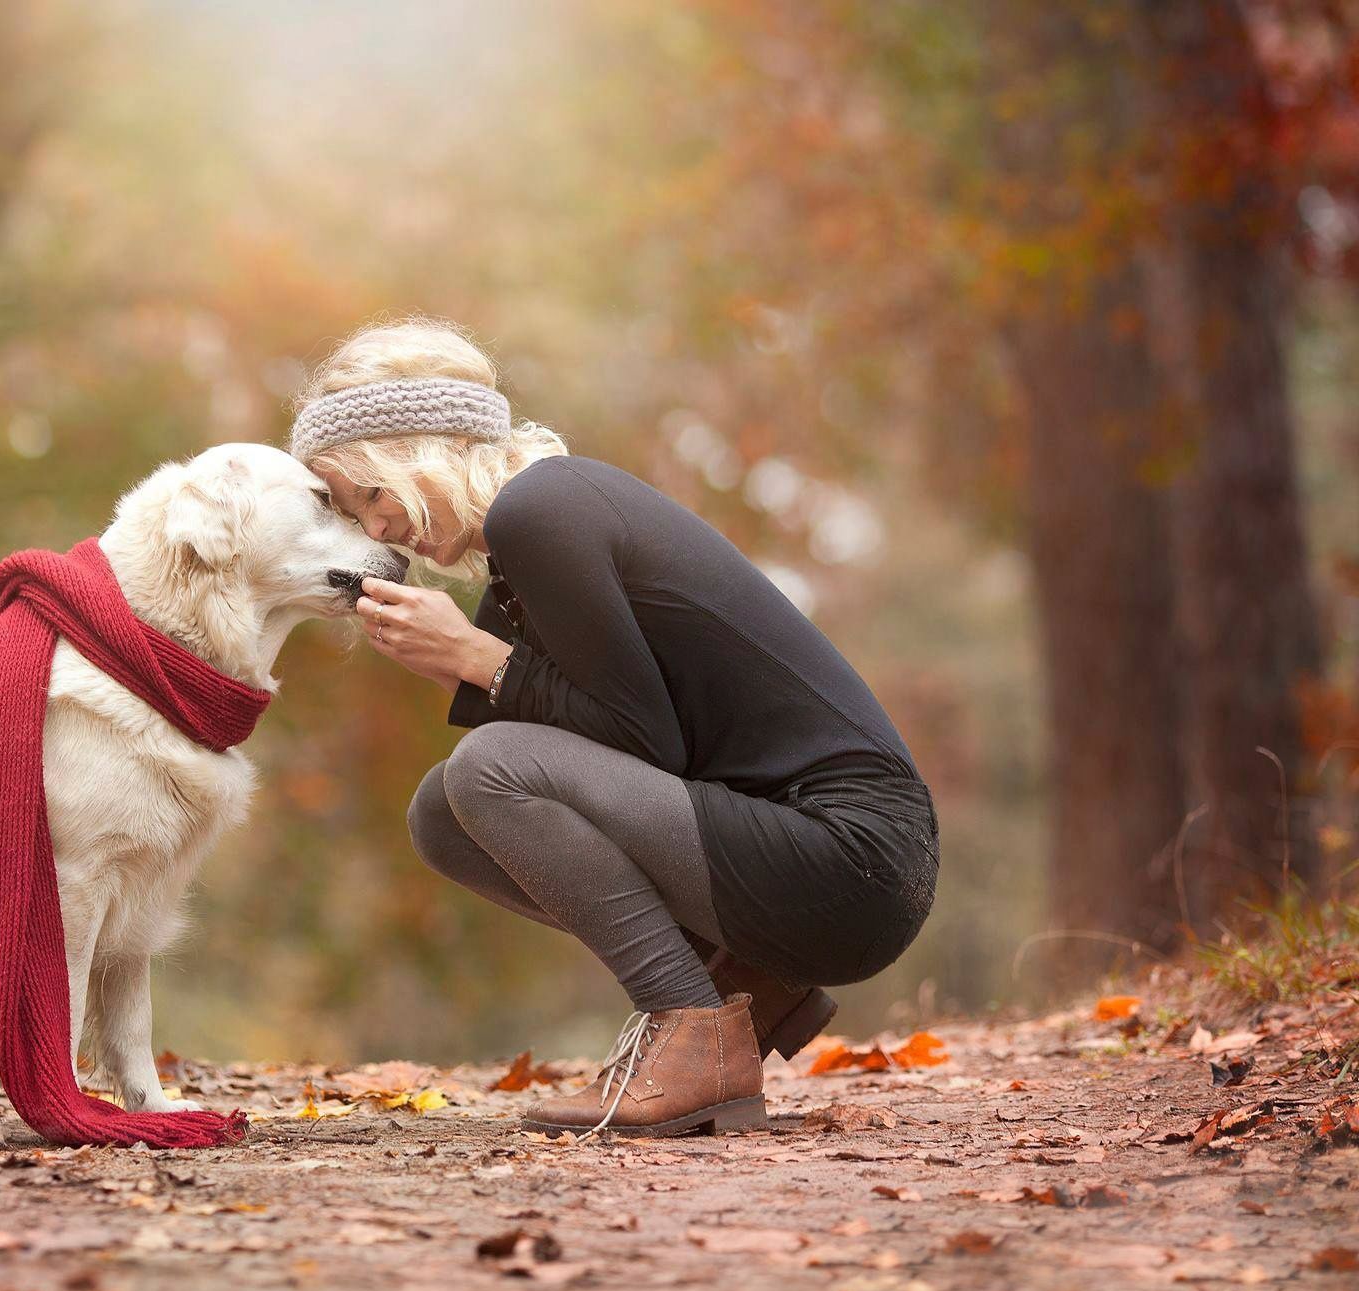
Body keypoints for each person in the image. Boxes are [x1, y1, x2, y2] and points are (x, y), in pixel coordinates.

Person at [289, 319, 939, 1137]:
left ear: (416, 451)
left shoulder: (542, 509)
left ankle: (692, 1026)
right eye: (356, 515)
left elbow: (643, 744)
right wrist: (470, 658)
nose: (377, 530)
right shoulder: (529, 535)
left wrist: (476, 656)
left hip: (850, 859)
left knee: (488, 767)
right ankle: (740, 986)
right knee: (443, 812)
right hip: (812, 857)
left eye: (371, 495)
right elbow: (624, 741)